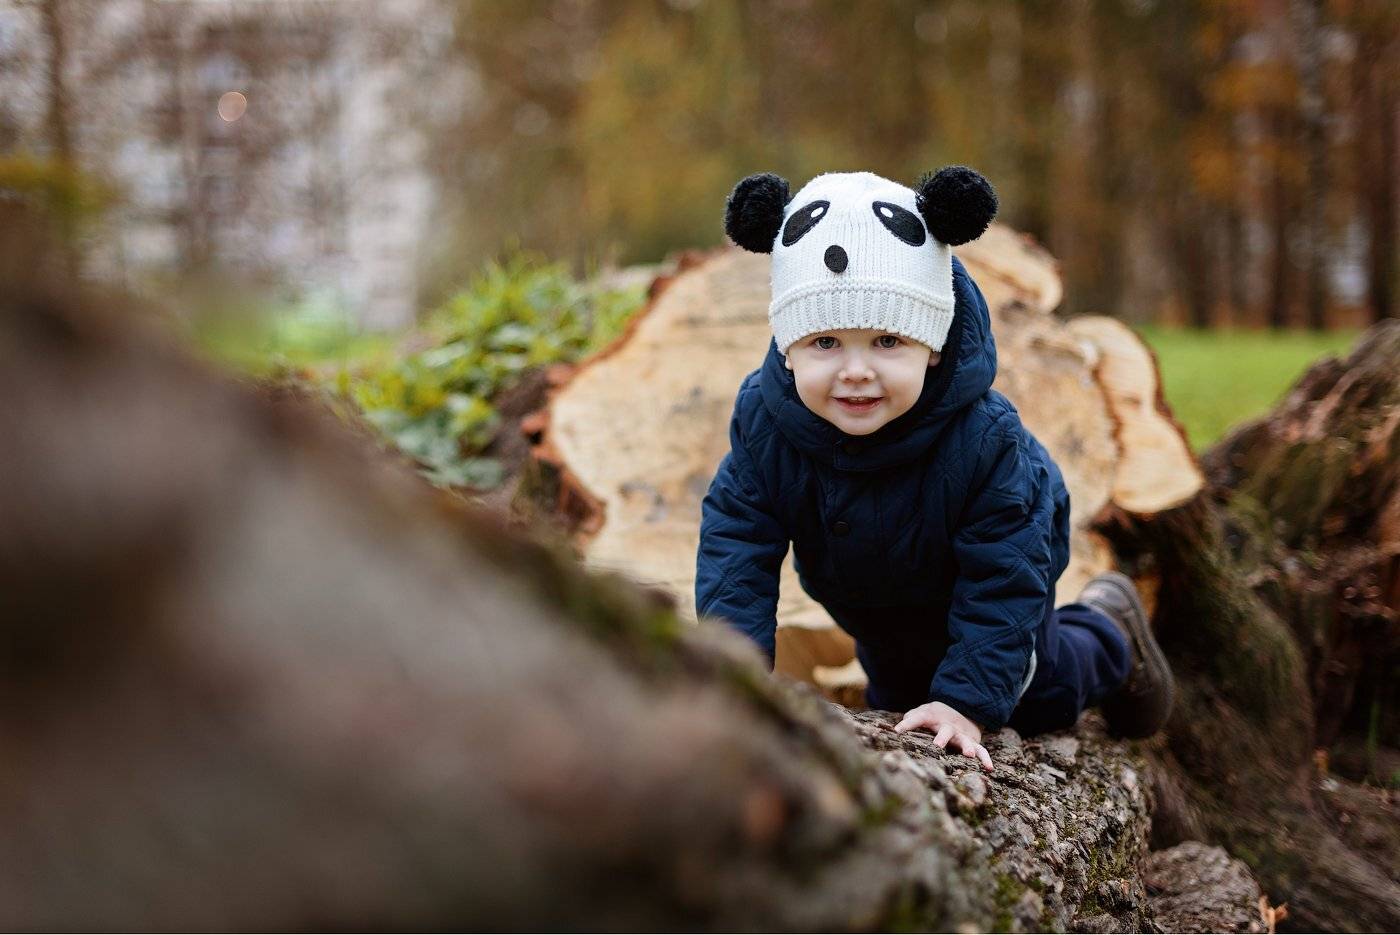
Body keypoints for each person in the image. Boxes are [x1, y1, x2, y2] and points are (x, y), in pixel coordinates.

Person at [695, 167, 1174, 771]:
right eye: (825, 343)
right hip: (874, 605)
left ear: (935, 343)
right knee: (899, 706)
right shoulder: (766, 426)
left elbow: (1008, 571)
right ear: (788, 348)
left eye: (888, 341)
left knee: (1042, 696)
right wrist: (732, 670)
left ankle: (1111, 632)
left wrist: (966, 701)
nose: (856, 370)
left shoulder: (983, 439)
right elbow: (736, 543)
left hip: (993, 579)